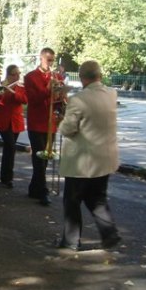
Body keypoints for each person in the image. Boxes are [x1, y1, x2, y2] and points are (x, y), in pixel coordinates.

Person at [57, 60, 121, 251]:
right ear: (99, 75)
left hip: (82, 161)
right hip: (105, 158)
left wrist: (62, 119)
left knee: (72, 200)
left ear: (82, 78)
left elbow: (68, 129)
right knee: (97, 198)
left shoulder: (79, 99)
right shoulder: (111, 94)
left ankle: (71, 241)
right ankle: (110, 235)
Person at [24, 47, 65, 206]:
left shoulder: (57, 76)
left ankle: (34, 188)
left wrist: (61, 107)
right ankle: (43, 191)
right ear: (41, 58)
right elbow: (32, 100)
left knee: (46, 158)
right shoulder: (31, 77)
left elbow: (61, 99)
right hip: (37, 122)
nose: (50, 63)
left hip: (51, 123)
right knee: (39, 158)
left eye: (52, 60)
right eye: (48, 59)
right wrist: (48, 88)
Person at [0, 64, 27, 188]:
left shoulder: (20, 86)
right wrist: (4, 88)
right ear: (8, 75)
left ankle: (6, 176)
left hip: (15, 120)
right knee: (10, 146)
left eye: (18, 73)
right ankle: (7, 177)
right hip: (4, 119)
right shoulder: (2, 84)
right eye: (14, 74)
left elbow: (24, 100)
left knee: (9, 148)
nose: (18, 76)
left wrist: (13, 92)